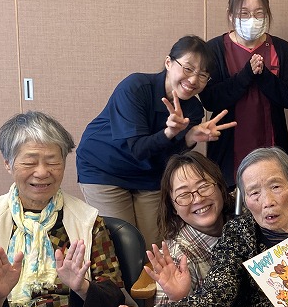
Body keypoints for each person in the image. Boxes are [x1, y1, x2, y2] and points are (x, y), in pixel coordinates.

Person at [130, 147, 288, 307]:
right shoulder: (238, 233)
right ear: (245, 199)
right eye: (254, 192)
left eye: (275, 186)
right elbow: (218, 294)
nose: (267, 201)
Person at [76, 35, 235, 247]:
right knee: (124, 243)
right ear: (169, 62)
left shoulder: (193, 110)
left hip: (150, 175)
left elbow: (169, 160)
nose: (193, 80)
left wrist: (189, 138)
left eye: (203, 75)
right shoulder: (135, 87)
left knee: (155, 244)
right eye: (188, 69)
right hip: (104, 168)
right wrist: (168, 133)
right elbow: (138, 149)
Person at [0, 111, 124, 307]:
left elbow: (115, 298)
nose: (42, 172)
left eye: (52, 162)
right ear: (8, 164)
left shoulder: (88, 221)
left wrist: (83, 287)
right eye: (29, 162)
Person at [200, 0, 288, 188]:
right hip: (228, 151)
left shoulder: (281, 48)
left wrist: (263, 75)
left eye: (259, 13)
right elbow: (210, 99)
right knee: (229, 200)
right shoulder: (214, 49)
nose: (252, 20)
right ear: (230, 15)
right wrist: (246, 75)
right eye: (244, 14)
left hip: (272, 145)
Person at [152, 151, 234, 307]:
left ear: (220, 186)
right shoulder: (177, 255)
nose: (198, 199)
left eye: (203, 186)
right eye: (184, 194)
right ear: (173, 207)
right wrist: (177, 299)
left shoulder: (244, 213)